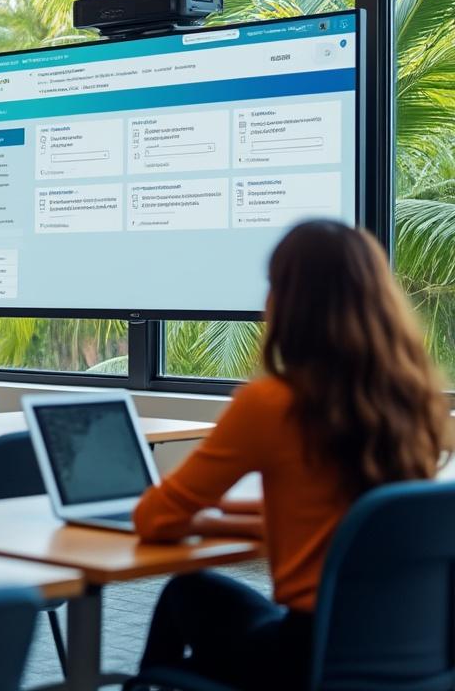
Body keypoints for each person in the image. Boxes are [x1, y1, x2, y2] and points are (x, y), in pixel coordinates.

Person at [131, 220, 449, 690]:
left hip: (307, 662)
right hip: (416, 657)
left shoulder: (274, 402)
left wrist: (198, 520)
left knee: (187, 592)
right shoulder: (416, 402)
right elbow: (347, 520)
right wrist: (223, 519)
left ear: (289, 302)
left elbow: (154, 519)